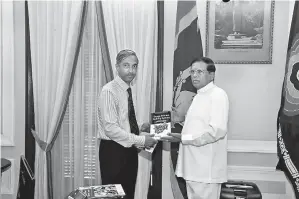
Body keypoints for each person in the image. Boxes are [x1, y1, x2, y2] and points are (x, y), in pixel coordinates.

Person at [164, 57, 229, 199]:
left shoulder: (217, 95)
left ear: (211, 75)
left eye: (199, 71)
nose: (194, 75)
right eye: (192, 71)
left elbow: (216, 131)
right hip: (193, 169)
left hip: (205, 171)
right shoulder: (199, 96)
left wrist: (183, 138)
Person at [97, 49, 158, 199]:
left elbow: (123, 119)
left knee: (128, 194)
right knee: (112, 196)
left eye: (134, 66)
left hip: (128, 150)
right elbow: (110, 129)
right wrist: (142, 140)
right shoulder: (109, 91)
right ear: (117, 67)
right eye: (126, 65)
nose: (131, 70)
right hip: (113, 152)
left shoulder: (127, 90)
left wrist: (141, 126)